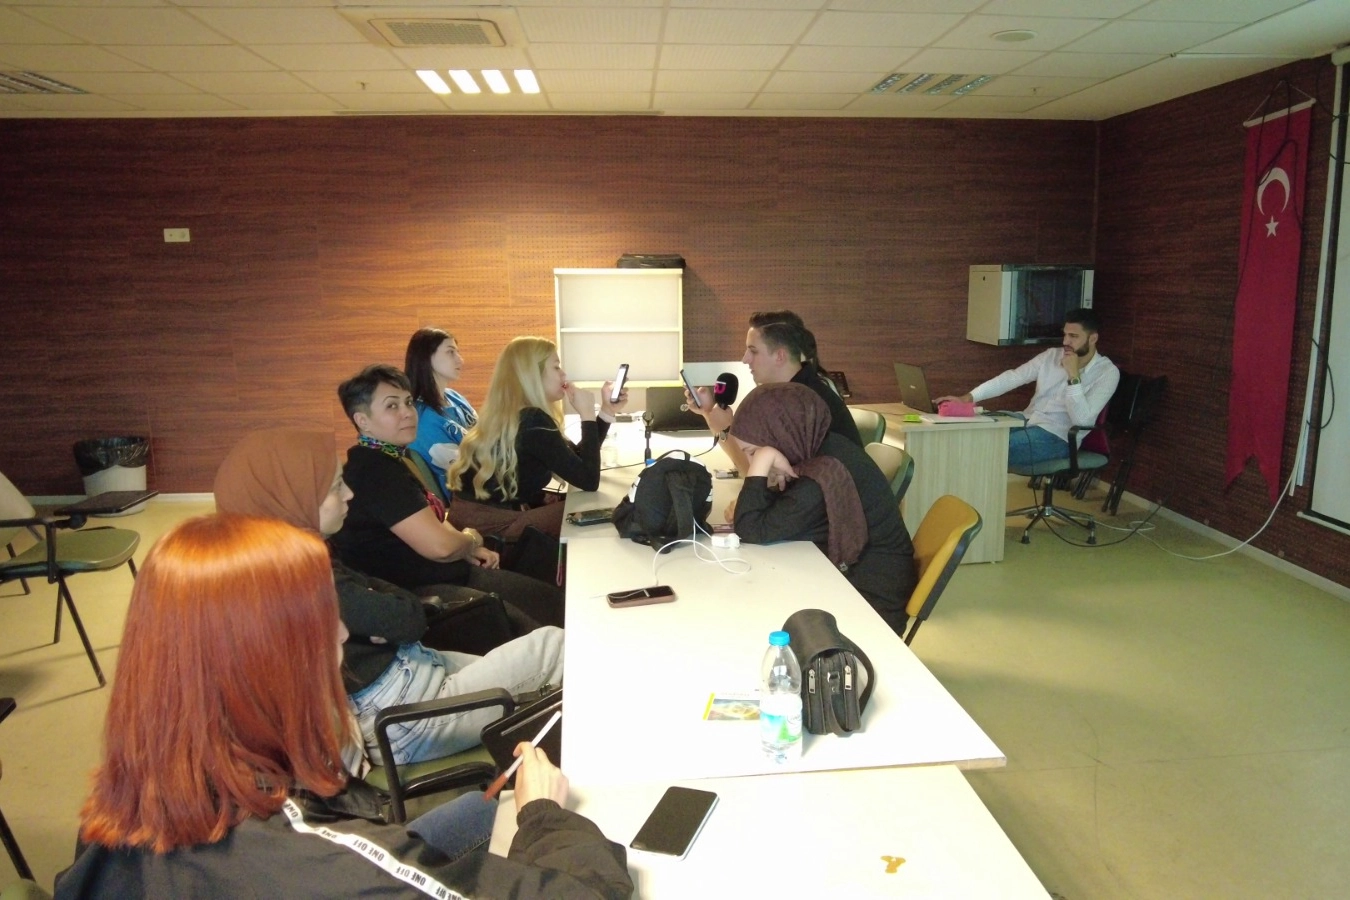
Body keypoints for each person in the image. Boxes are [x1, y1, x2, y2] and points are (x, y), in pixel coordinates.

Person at [54, 514, 631, 899]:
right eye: (320, 622)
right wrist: (543, 816)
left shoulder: (123, 807)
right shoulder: (323, 867)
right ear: (264, 663)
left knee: (490, 807)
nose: (341, 634)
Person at [214, 428, 564, 765]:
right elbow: (406, 619)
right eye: (336, 487)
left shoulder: (302, 561)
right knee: (556, 646)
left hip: (416, 678)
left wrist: (385, 609)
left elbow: (392, 604)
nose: (349, 494)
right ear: (294, 499)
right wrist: (386, 610)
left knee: (546, 669)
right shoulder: (303, 581)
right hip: (406, 717)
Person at [328, 364, 565, 626]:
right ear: (363, 421)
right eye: (392, 406)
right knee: (557, 611)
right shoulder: (374, 471)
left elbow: (435, 525)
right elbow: (440, 548)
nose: (407, 413)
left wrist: (465, 548)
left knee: (553, 600)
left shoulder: (387, 459)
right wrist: (470, 540)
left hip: (443, 573)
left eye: (408, 402)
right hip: (422, 593)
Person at [728, 382, 917, 637]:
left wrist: (762, 463)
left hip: (870, 603)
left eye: (753, 453)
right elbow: (775, 513)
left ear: (780, 437)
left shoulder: (823, 477)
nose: (751, 462)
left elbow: (751, 528)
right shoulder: (822, 447)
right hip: (858, 578)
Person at [447, 336, 628, 540]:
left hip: (475, 521)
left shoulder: (516, 415)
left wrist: (606, 412)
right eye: (556, 367)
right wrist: (587, 415)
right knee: (604, 511)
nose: (564, 374)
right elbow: (588, 479)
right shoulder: (532, 420)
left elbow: (575, 463)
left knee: (596, 508)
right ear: (533, 375)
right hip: (491, 528)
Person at [936, 308, 1120, 468]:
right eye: (1065, 334)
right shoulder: (1051, 356)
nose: (1065, 342)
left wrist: (1073, 376)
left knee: (986, 448)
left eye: (1073, 336)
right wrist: (967, 398)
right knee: (969, 434)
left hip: (1058, 437)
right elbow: (1013, 377)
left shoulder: (1107, 372)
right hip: (1027, 420)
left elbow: (1082, 421)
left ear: (1093, 338)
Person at [686, 310, 862, 476]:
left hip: (840, 496)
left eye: (753, 351)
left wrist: (724, 429)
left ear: (779, 356)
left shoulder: (798, 402)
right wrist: (709, 412)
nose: (745, 359)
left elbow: (755, 476)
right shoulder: (795, 390)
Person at [405, 327, 478, 495]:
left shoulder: (455, 397)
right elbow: (466, 471)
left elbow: (486, 437)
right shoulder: (422, 418)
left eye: (458, 352)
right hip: (468, 496)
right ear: (426, 357)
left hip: (487, 482)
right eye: (450, 352)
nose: (460, 360)